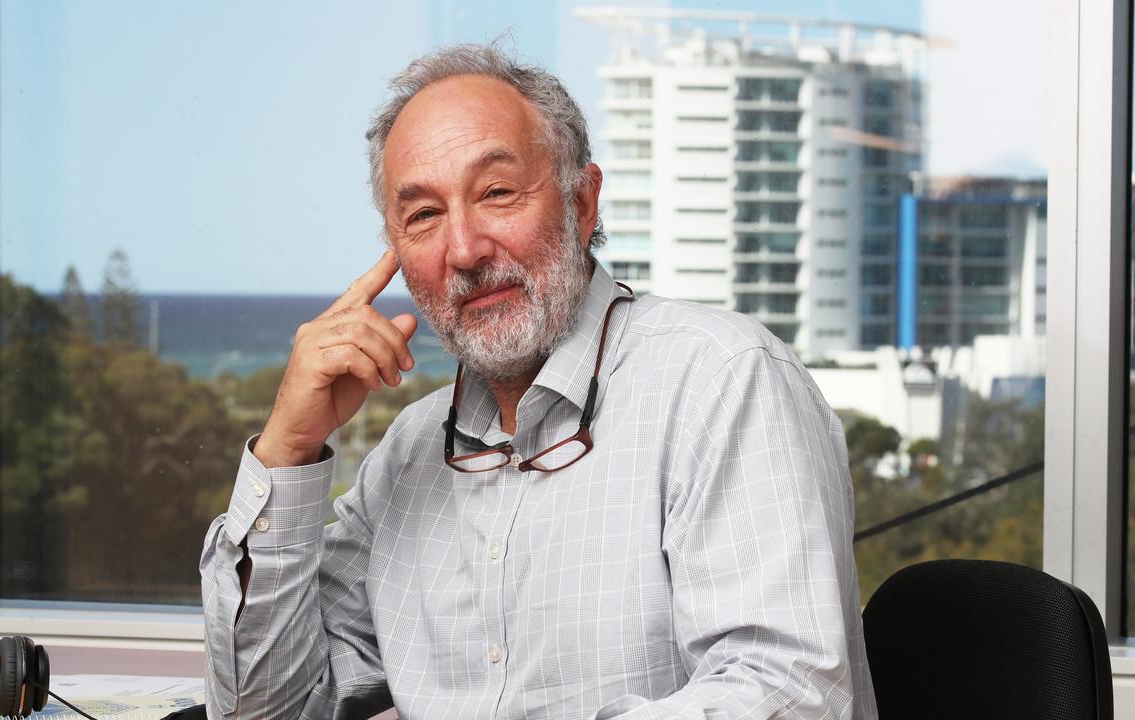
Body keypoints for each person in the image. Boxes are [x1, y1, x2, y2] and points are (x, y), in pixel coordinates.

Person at [200, 44, 878, 720]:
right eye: (424, 215)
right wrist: (286, 449)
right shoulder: (409, 454)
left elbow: (790, 696)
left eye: (496, 193)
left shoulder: (723, 381)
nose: (464, 251)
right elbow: (265, 710)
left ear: (582, 203)